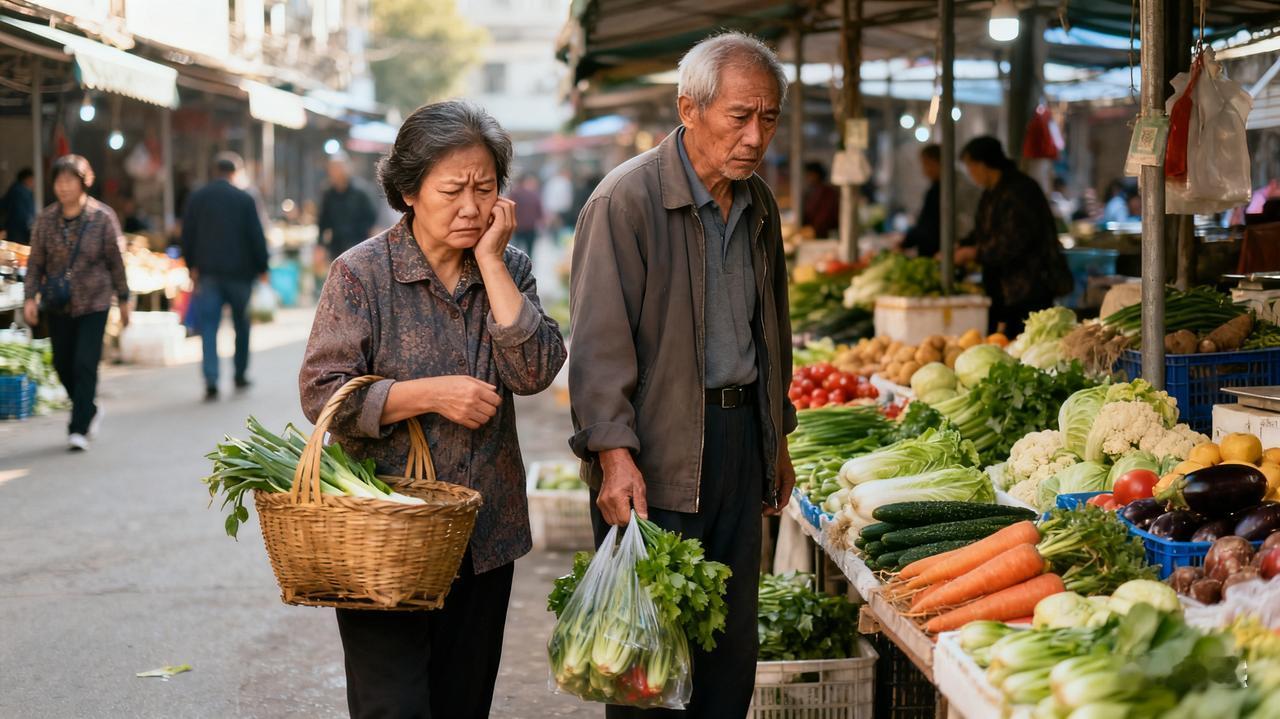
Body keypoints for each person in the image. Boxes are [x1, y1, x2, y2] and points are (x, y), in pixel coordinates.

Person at [299, 100, 566, 719]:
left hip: (484, 535)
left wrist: (494, 264)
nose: (471, 207)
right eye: (452, 189)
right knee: (392, 707)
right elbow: (322, 392)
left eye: (485, 188)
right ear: (409, 191)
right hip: (384, 537)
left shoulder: (509, 267)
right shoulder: (362, 274)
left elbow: (536, 372)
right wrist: (428, 394)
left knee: (462, 704)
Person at [569, 32, 796, 717]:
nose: (755, 136)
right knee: (646, 664)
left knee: (727, 655)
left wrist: (776, 437)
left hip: (735, 445)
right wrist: (614, 457)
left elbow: (773, 327)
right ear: (689, 108)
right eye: (740, 116)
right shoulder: (626, 201)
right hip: (654, 453)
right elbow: (598, 345)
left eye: (769, 118)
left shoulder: (759, 206)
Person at [22, 155, 130, 452]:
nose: (64, 187)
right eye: (59, 181)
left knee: (85, 362)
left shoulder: (102, 217)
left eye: (70, 180)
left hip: (94, 302)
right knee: (61, 363)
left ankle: (78, 426)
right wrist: (29, 297)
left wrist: (124, 298)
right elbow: (35, 263)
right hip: (59, 304)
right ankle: (90, 408)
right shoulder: (45, 220)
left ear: (84, 182)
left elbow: (116, 261)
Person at [955, 136, 1071, 337]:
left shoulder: (1019, 190)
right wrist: (960, 246)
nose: (970, 173)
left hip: (1028, 288)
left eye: (970, 166)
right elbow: (982, 232)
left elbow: (1014, 240)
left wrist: (974, 252)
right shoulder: (991, 193)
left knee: (1026, 342)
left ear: (983, 164)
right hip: (1003, 290)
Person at [181, 152, 269, 401]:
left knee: (209, 327)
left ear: (215, 172)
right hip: (240, 275)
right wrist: (263, 268)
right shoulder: (244, 198)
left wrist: (191, 266)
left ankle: (211, 378)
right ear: (235, 173)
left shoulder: (197, 197)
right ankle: (240, 373)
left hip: (208, 273)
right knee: (242, 325)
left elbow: (187, 234)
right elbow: (256, 235)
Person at [317, 152, 378, 260]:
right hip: (336, 247)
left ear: (348, 168)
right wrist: (320, 245)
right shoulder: (328, 193)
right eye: (333, 168)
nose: (336, 171)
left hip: (358, 245)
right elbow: (323, 221)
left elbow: (372, 220)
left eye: (339, 167)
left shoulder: (361, 191)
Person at [902, 144, 941, 258]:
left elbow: (927, 225)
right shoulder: (935, 188)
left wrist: (905, 243)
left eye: (925, 164)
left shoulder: (942, 190)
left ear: (935, 163)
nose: (924, 170)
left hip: (936, 253)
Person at [507, 173, 544, 257]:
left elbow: (510, 209)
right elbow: (540, 211)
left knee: (515, 249)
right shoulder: (534, 194)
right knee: (529, 249)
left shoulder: (514, 193)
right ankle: (528, 266)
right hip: (531, 226)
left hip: (518, 226)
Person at [800, 161, 839, 239]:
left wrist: (813, 230)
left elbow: (825, 215)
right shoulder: (810, 192)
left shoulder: (828, 192)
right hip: (813, 234)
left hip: (825, 235)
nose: (807, 177)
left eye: (809, 174)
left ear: (816, 175)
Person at [3, 168, 35, 245]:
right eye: (32, 179)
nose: (34, 182)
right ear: (27, 179)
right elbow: (23, 215)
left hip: (12, 229)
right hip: (19, 231)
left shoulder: (14, 189)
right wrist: (31, 228)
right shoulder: (21, 192)